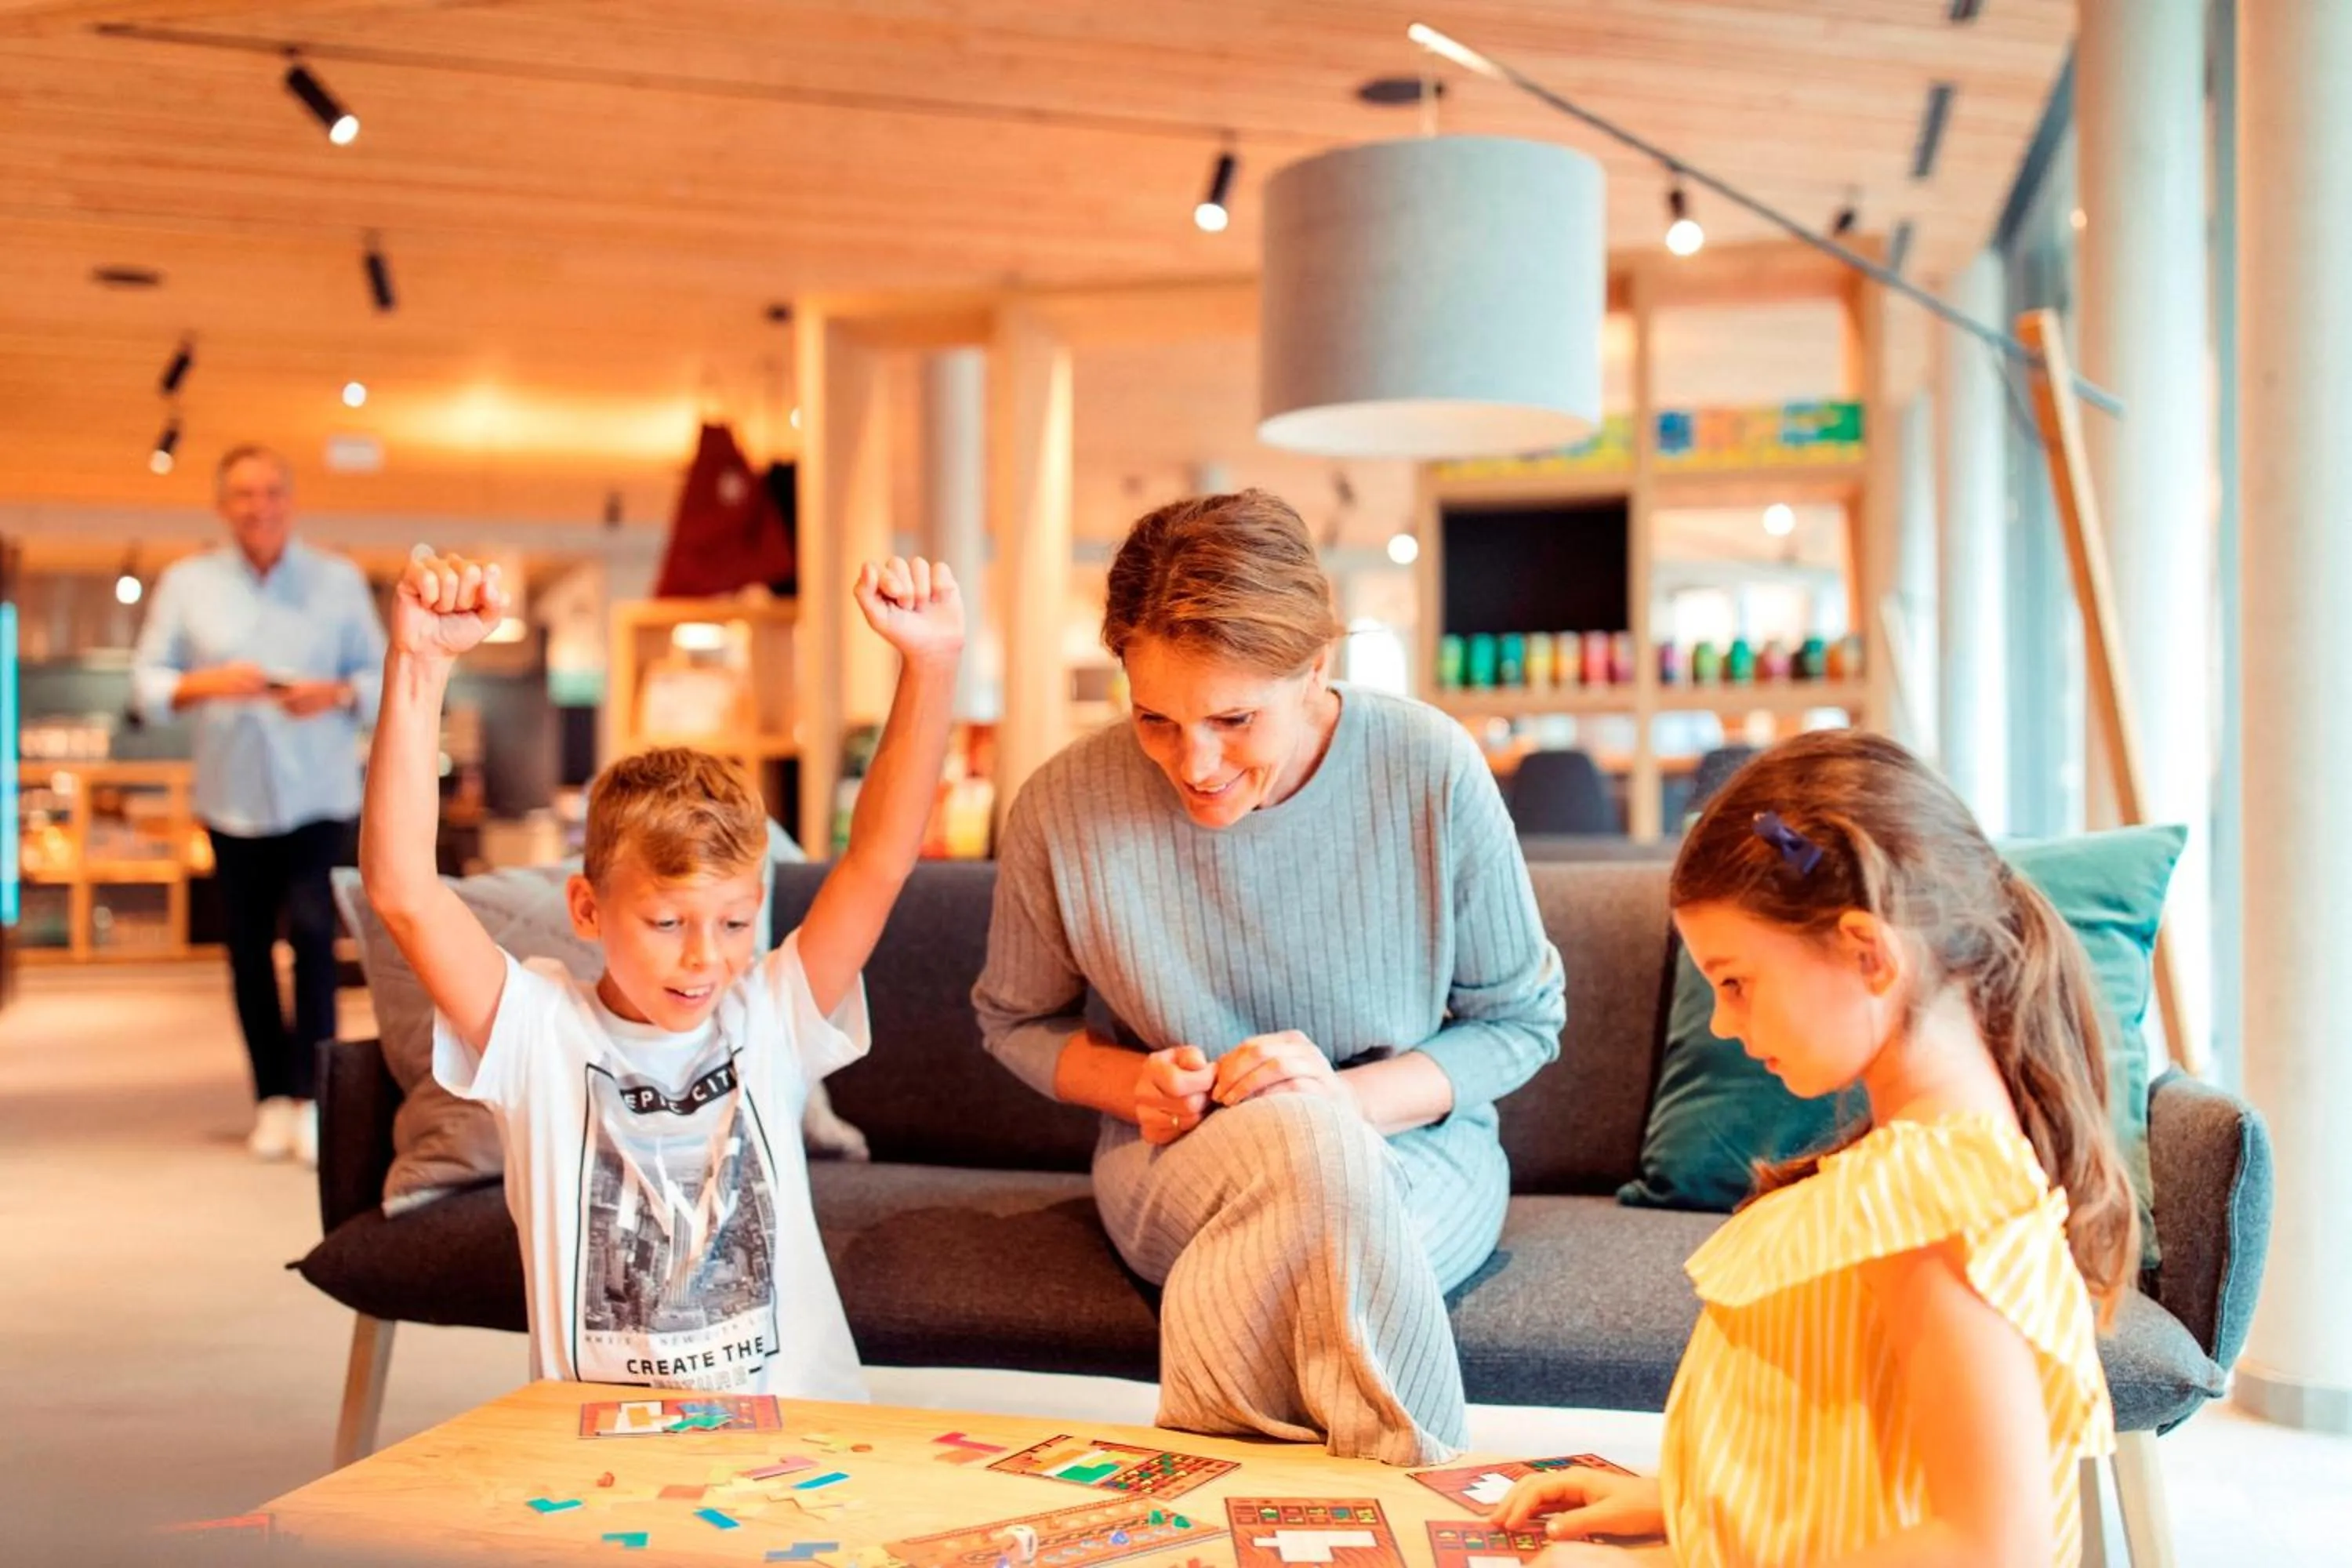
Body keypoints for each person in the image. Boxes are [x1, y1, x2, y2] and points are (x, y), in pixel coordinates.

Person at [972, 490, 1566, 1465]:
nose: (1192, 762)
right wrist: (1135, 1085)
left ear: (1317, 668)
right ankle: (1415, 1503)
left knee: (1312, 1152)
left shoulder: (1429, 768)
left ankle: (1210, 1511)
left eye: (1234, 717)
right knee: (1311, 1177)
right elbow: (1014, 1020)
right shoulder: (1063, 805)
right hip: (1180, 1163)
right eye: (1155, 718)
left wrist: (1336, 1096)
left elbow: (1521, 1022)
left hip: (1414, 1153)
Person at [1495, 730, 2131, 1566]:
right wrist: (1678, 1501)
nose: (1724, 1020)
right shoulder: (1924, 1168)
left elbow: (1989, 1545)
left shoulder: (1935, 1195)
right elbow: (1857, 1454)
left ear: (1869, 952)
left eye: (1736, 980)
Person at [361, 547, 961, 1396]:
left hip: (800, 1437)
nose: (704, 958)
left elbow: (879, 860)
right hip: (607, 1459)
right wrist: (417, 667)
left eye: (734, 923)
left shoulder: (771, 1014)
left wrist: (931, 664)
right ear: (587, 908)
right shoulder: (538, 1033)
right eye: (667, 921)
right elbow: (404, 892)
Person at [132, 445, 387, 1167]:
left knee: (311, 936)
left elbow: (379, 676)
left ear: (291, 500)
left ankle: (314, 1098)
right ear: (223, 506)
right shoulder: (188, 583)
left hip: (319, 793)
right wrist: (203, 684)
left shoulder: (337, 581)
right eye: (243, 494)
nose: (259, 506)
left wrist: (332, 694)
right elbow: (147, 684)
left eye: (271, 491)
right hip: (232, 797)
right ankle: (271, 1099)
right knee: (246, 951)